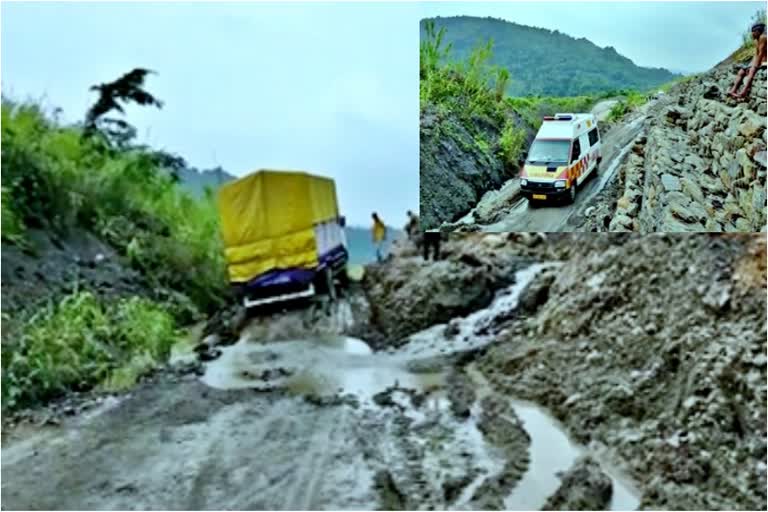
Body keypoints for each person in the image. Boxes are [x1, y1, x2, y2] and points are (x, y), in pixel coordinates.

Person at [728, 22, 767, 99]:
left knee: (752, 70)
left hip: (765, 60)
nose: (751, 34)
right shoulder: (757, 40)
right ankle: (733, 90)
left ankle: (744, 91)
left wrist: (754, 66)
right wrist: (750, 65)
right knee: (741, 71)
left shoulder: (763, 38)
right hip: (761, 59)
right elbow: (756, 54)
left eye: (753, 32)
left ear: (757, 31)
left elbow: (761, 54)